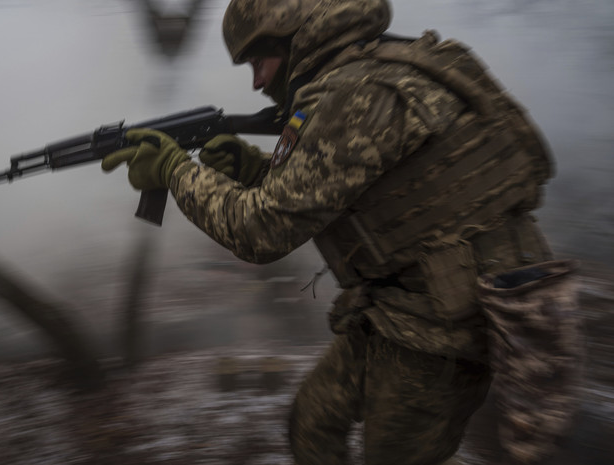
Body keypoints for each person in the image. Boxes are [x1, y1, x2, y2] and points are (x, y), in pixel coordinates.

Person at [102, 0, 566, 463]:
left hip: (442, 330)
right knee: (312, 423)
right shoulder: (375, 70)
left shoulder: (356, 91)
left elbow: (262, 232)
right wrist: (251, 168)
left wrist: (175, 170)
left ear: (292, 37)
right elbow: (346, 182)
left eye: (258, 63)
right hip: (399, 308)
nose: (258, 82)